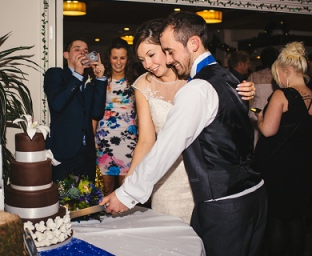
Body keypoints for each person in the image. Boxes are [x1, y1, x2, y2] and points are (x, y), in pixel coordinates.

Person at [103, 12, 266, 256]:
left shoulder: (197, 87)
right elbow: (149, 141)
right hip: (253, 194)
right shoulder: (227, 77)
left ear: (192, 44)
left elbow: (168, 144)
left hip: (220, 199)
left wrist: (128, 193)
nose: (167, 59)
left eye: (169, 51)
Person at [127, 18, 255, 224]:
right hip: (166, 180)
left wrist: (244, 93)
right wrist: (130, 181)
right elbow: (146, 140)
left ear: (168, 49)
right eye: (142, 60)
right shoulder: (143, 85)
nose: (147, 65)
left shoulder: (196, 77)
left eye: (151, 55)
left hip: (205, 177)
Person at [254, 41, 312, 256]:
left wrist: (260, 118)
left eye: (276, 73)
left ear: (287, 70)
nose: (276, 78)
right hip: (304, 166)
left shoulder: (282, 95)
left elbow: (268, 131)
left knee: (276, 220)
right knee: (296, 218)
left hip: (278, 167)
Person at [44, 38, 107, 182]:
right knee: (63, 201)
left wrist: (100, 79)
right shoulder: (55, 74)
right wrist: (77, 74)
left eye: (86, 51)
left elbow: (97, 113)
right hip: (64, 152)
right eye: (77, 49)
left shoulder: (88, 82)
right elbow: (57, 104)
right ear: (66, 55)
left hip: (86, 155)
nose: (83, 53)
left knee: (88, 201)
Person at [95, 38, 137, 195]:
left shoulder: (136, 82)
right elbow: (93, 113)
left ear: (128, 58)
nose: (118, 62)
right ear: (109, 58)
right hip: (104, 141)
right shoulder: (100, 81)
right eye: (114, 58)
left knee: (126, 191)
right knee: (105, 190)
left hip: (129, 141)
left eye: (122, 57)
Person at [248, 47, 279, 146]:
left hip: (256, 110)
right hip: (275, 110)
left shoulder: (254, 76)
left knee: (255, 141)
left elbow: (249, 98)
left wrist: (252, 109)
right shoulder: (279, 75)